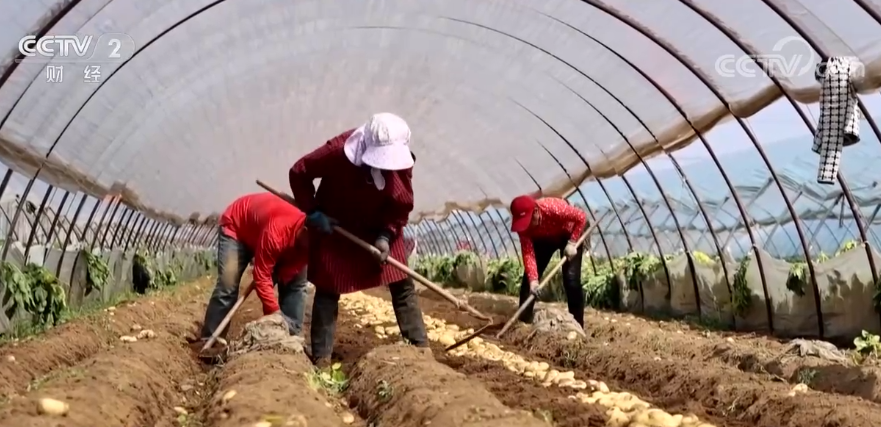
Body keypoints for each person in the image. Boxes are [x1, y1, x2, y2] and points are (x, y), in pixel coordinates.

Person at [289, 112, 428, 366]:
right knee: (328, 287)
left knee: (402, 282)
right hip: (337, 225)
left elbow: (401, 206)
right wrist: (313, 211)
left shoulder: (403, 163)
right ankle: (322, 358)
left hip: (381, 224)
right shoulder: (337, 151)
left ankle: (420, 349)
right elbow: (300, 172)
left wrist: (386, 236)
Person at [196, 192, 310, 343]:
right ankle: (210, 339)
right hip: (237, 228)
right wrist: (274, 313)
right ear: (305, 232)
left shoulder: (310, 243)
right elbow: (261, 275)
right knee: (227, 285)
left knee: (296, 284)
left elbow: (291, 272)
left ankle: (290, 336)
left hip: (263, 232)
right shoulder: (277, 233)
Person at [510, 194, 588, 326]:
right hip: (544, 239)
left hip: (567, 233)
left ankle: (577, 324)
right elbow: (528, 252)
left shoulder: (553, 208)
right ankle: (523, 322)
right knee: (528, 283)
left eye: (528, 221)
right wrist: (533, 281)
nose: (525, 227)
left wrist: (572, 241)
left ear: (535, 212)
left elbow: (581, 217)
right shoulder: (523, 228)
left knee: (571, 280)